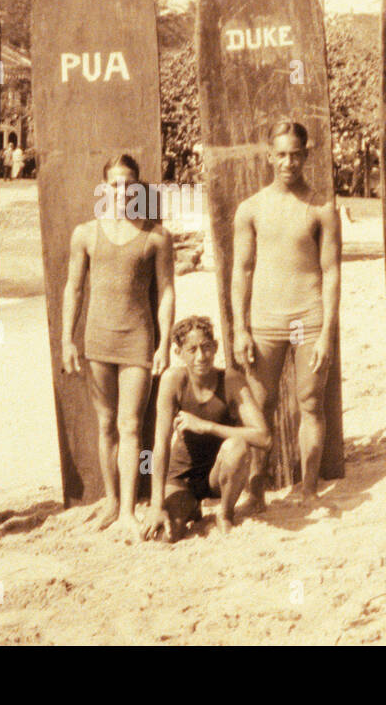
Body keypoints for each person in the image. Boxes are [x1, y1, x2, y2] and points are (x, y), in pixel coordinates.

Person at [61, 154, 175, 541]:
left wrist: (164, 344)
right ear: (104, 187)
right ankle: (111, 501)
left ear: (138, 186)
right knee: (106, 424)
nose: (121, 190)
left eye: (128, 183)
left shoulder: (156, 236)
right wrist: (66, 340)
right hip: (97, 339)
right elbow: (73, 289)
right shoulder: (86, 234)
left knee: (130, 425)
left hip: (137, 339)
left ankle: (127, 511)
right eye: (114, 184)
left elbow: (166, 292)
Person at [231, 119, 341, 508]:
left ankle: (309, 488)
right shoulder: (251, 209)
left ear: (306, 155)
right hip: (267, 322)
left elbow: (331, 272)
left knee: (311, 402)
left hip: (306, 320)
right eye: (281, 154)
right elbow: (241, 270)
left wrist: (327, 331)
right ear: (269, 156)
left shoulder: (322, 210)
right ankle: (256, 489)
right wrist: (240, 329)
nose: (288, 162)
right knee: (260, 406)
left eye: (296, 154)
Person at [141, 316, 271, 542]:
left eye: (207, 347)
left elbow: (264, 437)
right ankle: (190, 506)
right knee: (165, 536)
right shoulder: (173, 380)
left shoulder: (230, 380)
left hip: (218, 475)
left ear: (216, 347)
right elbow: (159, 445)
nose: (201, 357)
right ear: (178, 352)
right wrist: (155, 505)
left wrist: (207, 426)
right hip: (183, 477)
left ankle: (226, 513)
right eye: (192, 350)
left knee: (237, 447)